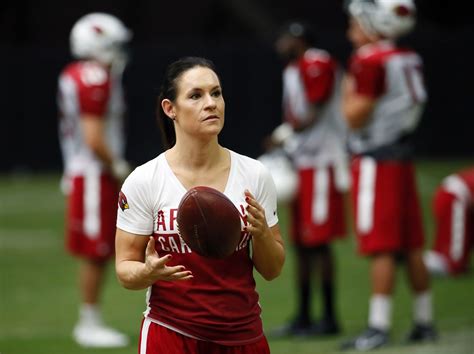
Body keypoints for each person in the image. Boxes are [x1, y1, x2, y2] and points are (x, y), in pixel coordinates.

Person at [115, 56, 285, 354]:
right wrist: (147, 273)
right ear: (170, 109)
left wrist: (261, 235)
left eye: (216, 93)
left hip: (243, 335)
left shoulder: (254, 174)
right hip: (171, 333)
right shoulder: (144, 180)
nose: (211, 103)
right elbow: (125, 269)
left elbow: (272, 270)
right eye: (196, 95)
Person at [339, 0, 437, 350]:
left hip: (376, 161)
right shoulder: (407, 56)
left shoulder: (369, 60)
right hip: (402, 155)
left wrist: (347, 85)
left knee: (381, 245)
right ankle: (424, 320)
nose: (351, 31)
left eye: (355, 23)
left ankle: (378, 326)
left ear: (371, 22)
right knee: (411, 243)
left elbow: (353, 117)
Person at [266, 21, 349, 338]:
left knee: (319, 242)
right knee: (301, 243)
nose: (280, 43)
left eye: (285, 38)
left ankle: (328, 317)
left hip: (322, 162)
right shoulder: (293, 68)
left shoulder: (316, 61)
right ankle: (303, 315)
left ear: (298, 40)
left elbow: (315, 107)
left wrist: (285, 134)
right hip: (302, 162)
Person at [57, 13, 132, 348]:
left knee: (104, 247)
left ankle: (91, 320)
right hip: (92, 173)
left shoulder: (78, 73)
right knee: (96, 250)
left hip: (84, 171)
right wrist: (117, 166)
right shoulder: (94, 76)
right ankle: (88, 323)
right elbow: (93, 136)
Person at [424, 167, 474, 276]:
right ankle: (413, 260)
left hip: (459, 200)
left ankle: (414, 259)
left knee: (458, 261)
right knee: (454, 264)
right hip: (454, 198)